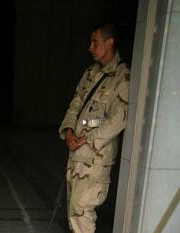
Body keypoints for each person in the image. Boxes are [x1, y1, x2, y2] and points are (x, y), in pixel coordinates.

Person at [58, 22, 130, 233]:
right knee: (74, 210)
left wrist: (88, 139)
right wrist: (69, 130)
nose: (90, 47)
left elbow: (119, 118)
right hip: (77, 154)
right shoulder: (90, 73)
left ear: (109, 42)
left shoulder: (122, 76)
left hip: (95, 158)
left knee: (82, 210)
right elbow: (76, 103)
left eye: (95, 42)